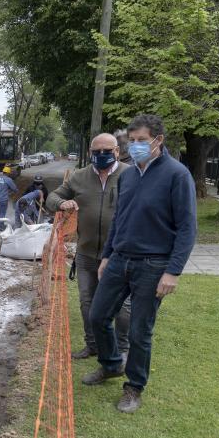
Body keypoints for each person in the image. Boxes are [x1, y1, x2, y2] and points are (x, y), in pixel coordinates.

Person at [83, 114, 197, 414]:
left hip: (153, 264)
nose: (135, 146)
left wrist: (173, 271)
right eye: (131, 141)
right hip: (119, 259)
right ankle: (111, 365)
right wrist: (107, 255)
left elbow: (187, 228)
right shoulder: (129, 175)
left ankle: (134, 387)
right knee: (98, 315)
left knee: (138, 331)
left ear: (158, 140)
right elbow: (119, 219)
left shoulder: (177, 175)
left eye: (141, 141)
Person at [47, 133, 131, 361]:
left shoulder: (131, 175)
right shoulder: (79, 177)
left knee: (122, 306)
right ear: (90, 152)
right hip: (86, 254)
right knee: (87, 303)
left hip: (119, 255)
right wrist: (62, 202)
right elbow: (52, 198)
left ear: (117, 151)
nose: (102, 155)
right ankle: (92, 344)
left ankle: (122, 349)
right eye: (96, 152)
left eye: (107, 151)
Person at [0, 166, 18, 231]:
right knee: (2, 213)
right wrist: (10, 192)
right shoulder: (8, 180)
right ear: (8, 173)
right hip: (3, 199)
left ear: (3, 172)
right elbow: (15, 189)